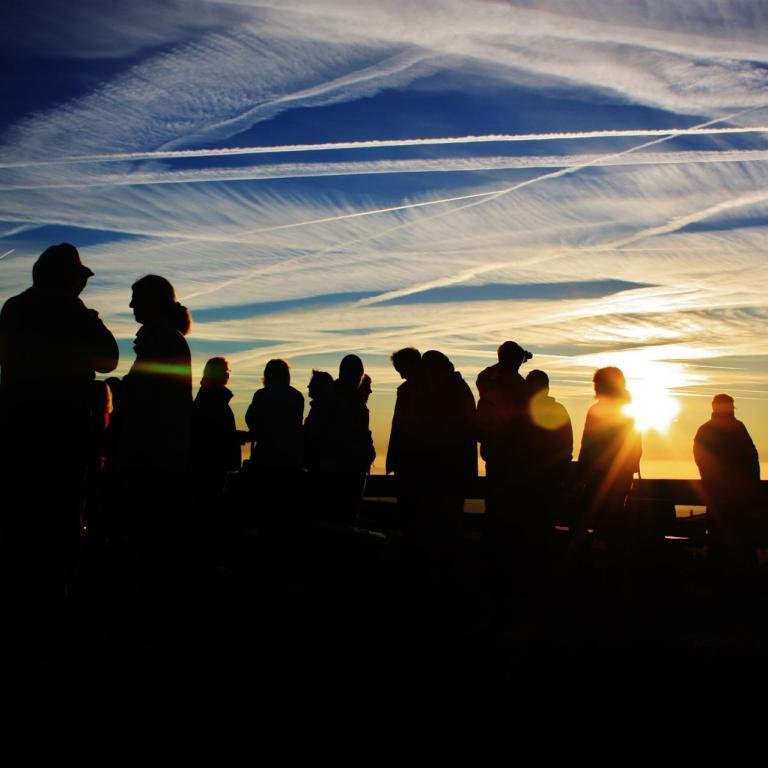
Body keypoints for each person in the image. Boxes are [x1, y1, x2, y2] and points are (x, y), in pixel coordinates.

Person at [0, 243, 119, 645]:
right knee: (61, 522)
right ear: (69, 279)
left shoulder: (13, 308)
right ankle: (53, 611)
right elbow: (108, 360)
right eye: (80, 279)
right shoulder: (74, 312)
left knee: (20, 523)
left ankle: (19, 607)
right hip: (64, 437)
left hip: (17, 432)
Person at [117, 274, 193, 629]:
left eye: (136, 299)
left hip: (154, 459)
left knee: (152, 542)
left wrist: (121, 390)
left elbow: (148, 397)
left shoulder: (161, 342)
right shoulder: (165, 340)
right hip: (162, 457)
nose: (131, 306)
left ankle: (151, 619)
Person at [576, 366, 641, 549]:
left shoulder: (598, 412)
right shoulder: (628, 412)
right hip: (621, 476)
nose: (595, 388)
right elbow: (635, 446)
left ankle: (600, 556)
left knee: (598, 518)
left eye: (597, 384)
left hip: (601, 475)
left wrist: (582, 473)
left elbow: (587, 445)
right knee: (613, 518)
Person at [694, 393, 760, 567]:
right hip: (737, 495)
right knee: (740, 536)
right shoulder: (738, 428)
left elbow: (701, 459)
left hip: (717, 493)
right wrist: (752, 485)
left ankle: (719, 571)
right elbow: (752, 460)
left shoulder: (705, 430)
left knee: (719, 536)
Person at [245, 359, 304, 529]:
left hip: (265, 460)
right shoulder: (297, 397)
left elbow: (251, 419)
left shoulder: (261, 396)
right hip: (290, 462)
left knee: (264, 513)